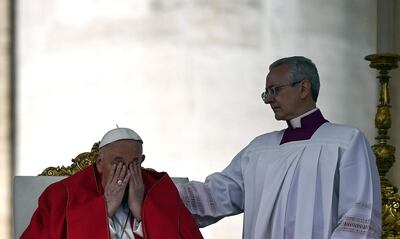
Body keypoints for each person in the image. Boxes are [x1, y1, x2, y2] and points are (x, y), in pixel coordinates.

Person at [175, 56, 381, 238]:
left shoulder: (346, 142)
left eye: (275, 90)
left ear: (303, 88)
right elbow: (216, 196)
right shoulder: (259, 150)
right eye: (266, 93)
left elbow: (359, 218)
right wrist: (153, 190)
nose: (269, 99)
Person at [21, 127, 203, 239]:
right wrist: (103, 209)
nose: (125, 172)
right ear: (100, 162)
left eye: (133, 163)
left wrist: (143, 212)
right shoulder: (62, 195)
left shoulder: (160, 191)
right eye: (117, 163)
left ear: (142, 161)